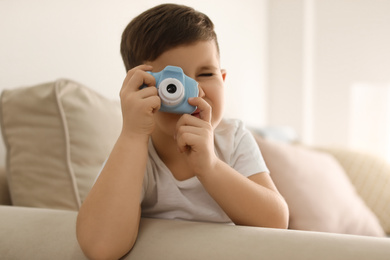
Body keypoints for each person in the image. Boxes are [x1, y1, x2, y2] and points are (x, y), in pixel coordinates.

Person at [76, 3, 289, 260]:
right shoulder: (134, 150)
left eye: (206, 73)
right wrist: (132, 135)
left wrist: (209, 166)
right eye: (173, 83)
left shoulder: (232, 138)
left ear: (222, 80)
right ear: (140, 88)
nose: (194, 92)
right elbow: (100, 247)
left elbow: (276, 222)